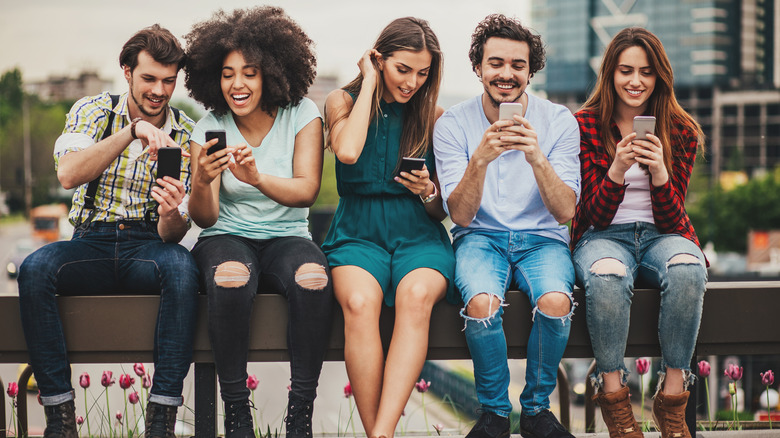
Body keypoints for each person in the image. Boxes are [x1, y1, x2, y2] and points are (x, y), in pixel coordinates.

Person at [17, 25, 199, 438]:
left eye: (169, 81)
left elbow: (173, 234)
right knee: (35, 269)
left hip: (147, 246)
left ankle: (162, 420)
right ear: (127, 72)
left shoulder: (186, 132)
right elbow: (68, 174)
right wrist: (131, 131)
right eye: (149, 78)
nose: (159, 90)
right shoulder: (94, 110)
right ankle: (60, 420)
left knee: (183, 268)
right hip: (90, 243)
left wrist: (172, 211)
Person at [183, 7, 334, 438]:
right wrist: (201, 180)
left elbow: (306, 190)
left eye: (249, 73)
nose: (238, 84)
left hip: (288, 235)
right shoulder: (209, 127)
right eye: (228, 74)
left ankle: (300, 414)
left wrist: (256, 178)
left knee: (313, 278)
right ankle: (237, 414)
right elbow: (205, 216)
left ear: (271, 72)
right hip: (226, 236)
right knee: (229, 277)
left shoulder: (302, 113)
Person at [434, 14, 580, 438]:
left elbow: (565, 211)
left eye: (518, 65)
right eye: (495, 63)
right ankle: (495, 413)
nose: (506, 73)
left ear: (530, 71)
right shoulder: (453, 124)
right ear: (478, 67)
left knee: (556, 301)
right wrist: (479, 159)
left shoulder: (558, 121)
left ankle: (535, 410)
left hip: (543, 239)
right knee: (481, 304)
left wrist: (536, 157)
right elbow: (458, 216)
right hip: (479, 236)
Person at [321, 17, 456, 438]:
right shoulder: (341, 102)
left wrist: (428, 191)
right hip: (357, 232)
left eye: (423, 73)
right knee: (360, 304)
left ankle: (380, 435)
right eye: (402, 69)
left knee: (416, 297)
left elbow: (440, 212)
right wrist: (367, 81)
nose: (413, 81)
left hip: (418, 234)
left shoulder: (434, 116)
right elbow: (346, 151)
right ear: (379, 60)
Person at [571, 27, 707, 438]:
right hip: (601, 235)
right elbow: (592, 213)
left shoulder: (680, 130)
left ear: (659, 77)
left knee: (688, 268)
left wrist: (662, 173)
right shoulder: (584, 125)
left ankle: (672, 399)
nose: (635, 81)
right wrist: (615, 169)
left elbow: (671, 220)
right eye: (625, 70)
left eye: (646, 72)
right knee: (607, 275)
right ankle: (614, 398)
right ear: (610, 74)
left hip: (660, 235)